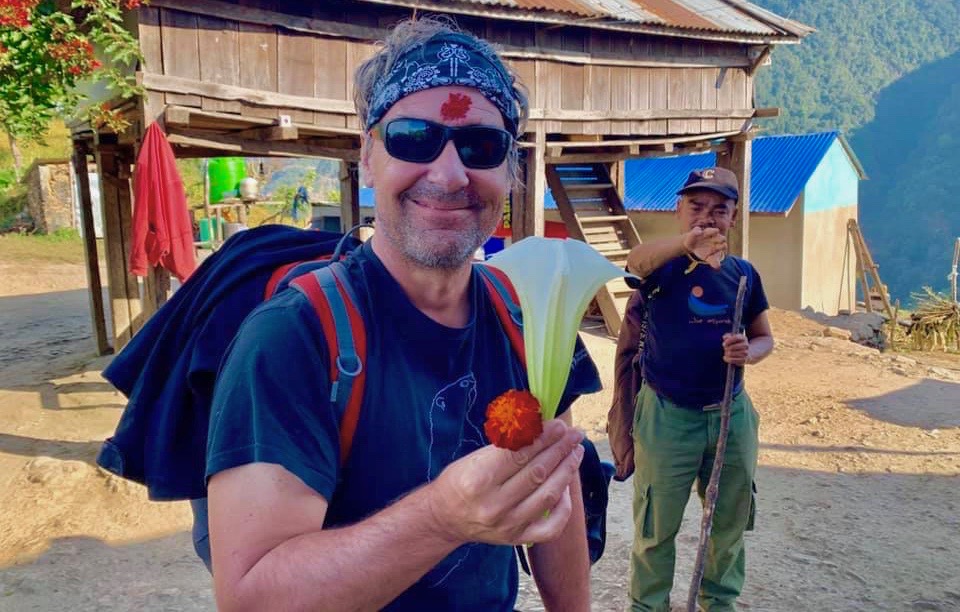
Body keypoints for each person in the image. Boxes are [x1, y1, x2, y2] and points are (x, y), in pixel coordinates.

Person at [203, 18, 601, 612]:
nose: (447, 174)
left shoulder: (531, 313)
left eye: (481, 147)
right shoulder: (293, 336)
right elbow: (252, 597)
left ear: (511, 169)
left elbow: (557, 480)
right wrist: (443, 517)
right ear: (367, 156)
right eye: (413, 138)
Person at [612, 167, 774, 612]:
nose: (707, 218)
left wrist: (750, 351)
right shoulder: (661, 268)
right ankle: (648, 606)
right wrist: (687, 246)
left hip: (730, 414)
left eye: (719, 210)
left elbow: (765, 336)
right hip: (667, 416)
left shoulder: (744, 275)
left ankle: (718, 603)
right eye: (696, 207)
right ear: (678, 211)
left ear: (734, 218)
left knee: (728, 524)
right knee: (655, 528)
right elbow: (634, 261)